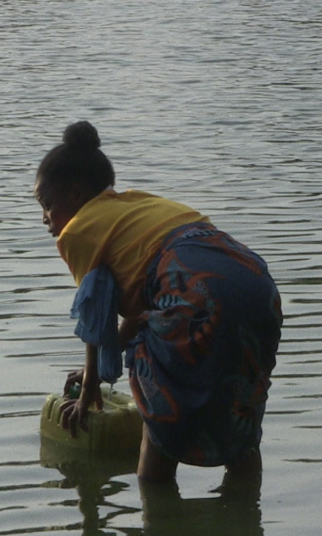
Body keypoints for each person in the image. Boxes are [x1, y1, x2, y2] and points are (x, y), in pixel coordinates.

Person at [34, 121, 282, 483]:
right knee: (238, 414)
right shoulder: (136, 204)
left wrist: (89, 388)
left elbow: (95, 316)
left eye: (47, 205)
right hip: (256, 282)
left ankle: (157, 522)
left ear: (75, 194)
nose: (45, 219)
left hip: (196, 292)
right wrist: (98, 368)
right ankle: (245, 521)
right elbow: (140, 309)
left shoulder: (78, 230)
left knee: (158, 421)